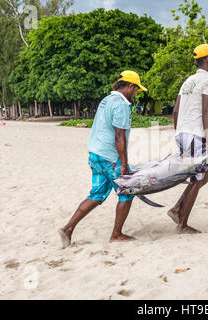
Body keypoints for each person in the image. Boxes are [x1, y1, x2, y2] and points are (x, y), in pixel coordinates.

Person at [59, 70, 147, 248]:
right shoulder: (121, 105)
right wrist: (123, 164)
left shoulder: (106, 100)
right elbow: (119, 137)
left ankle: (68, 228)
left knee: (97, 195)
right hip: (110, 157)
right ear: (130, 87)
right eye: (136, 90)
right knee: (127, 192)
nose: (136, 94)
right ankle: (116, 234)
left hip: (95, 154)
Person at [167, 44, 208, 234]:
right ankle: (182, 224)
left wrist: (178, 133)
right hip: (196, 134)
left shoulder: (188, 81)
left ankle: (177, 208)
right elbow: (206, 110)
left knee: (204, 175)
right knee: (198, 178)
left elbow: (175, 110)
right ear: (207, 59)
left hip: (183, 133)